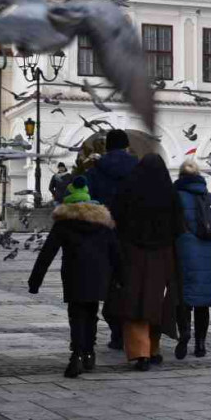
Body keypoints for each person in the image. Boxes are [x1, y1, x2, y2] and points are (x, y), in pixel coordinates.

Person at [28, 177, 120, 378]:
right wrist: (120, 277)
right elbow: (116, 252)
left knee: (76, 314)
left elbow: (47, 252)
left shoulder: (64, 223)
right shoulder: (103, 222)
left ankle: (76, 355)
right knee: (91, 312)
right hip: (98, 274)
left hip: (74, 274)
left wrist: (35, 281)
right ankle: (89, 352)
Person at [110, 154, 182, 371]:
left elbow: (116, 220)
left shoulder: (128, 189)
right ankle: (154, 349)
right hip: (162, 253)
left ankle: (140, 352)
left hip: (133, 253)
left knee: (134, 300)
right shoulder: (169, 193)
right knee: (156, 300)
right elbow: (179, 226)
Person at [85, 129, 139, 350]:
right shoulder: (138, 168)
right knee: (131, 282)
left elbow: (87, 201)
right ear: (127, 146)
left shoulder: (96, 170)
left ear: (106, 147)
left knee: (108, 285)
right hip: (133, 235)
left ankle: (116, 331)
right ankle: (132, 331)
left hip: (103, 233)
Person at [173, 159, 211, 360]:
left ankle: (184, 333)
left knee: (183, 298)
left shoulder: (175, 197)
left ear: (180, 176)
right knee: (203, 301)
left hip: (184, 251)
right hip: (209, 253)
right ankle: (201, 344)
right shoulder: (210, 197)